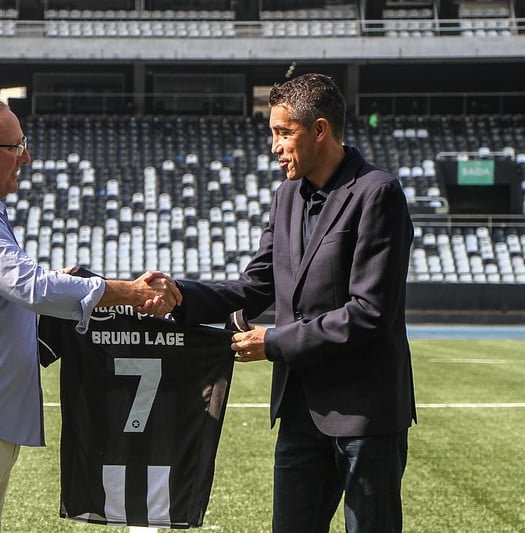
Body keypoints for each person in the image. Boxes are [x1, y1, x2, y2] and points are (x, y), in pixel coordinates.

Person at [0, 97, 181, 533]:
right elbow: (29, 286)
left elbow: (17, 288)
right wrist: (125, 292)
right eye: (14, 147)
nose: (26, 157)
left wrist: (63, 284)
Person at [171, 73, 415, 532]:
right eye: (273, 133)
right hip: (300, 410)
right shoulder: (285, 197)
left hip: (365, 413)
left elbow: (370, 312)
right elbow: (254, 286)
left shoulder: (377, 193)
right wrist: (177, 295)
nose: (274, 147)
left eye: (284, 132)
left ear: (319, 130)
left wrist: (276, 342)